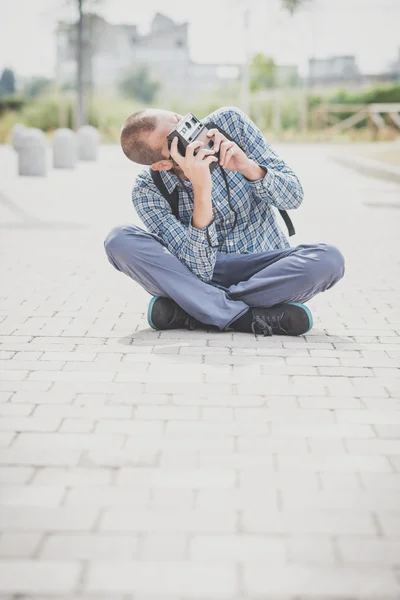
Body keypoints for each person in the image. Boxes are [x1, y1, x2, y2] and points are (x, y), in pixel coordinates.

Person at [104, 106, 345, 336]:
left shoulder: (231, 124)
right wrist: (201, 189)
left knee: (328, 259)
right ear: (163, 164)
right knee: (119, 240)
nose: (192, 131)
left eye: (181, 120)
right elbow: (200, 268)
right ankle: (247, 318)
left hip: (264, 268)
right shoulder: (148, 189)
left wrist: (248, 167)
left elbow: (293, 196)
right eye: (176, 138)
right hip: (200, 273)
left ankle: (192, 310)